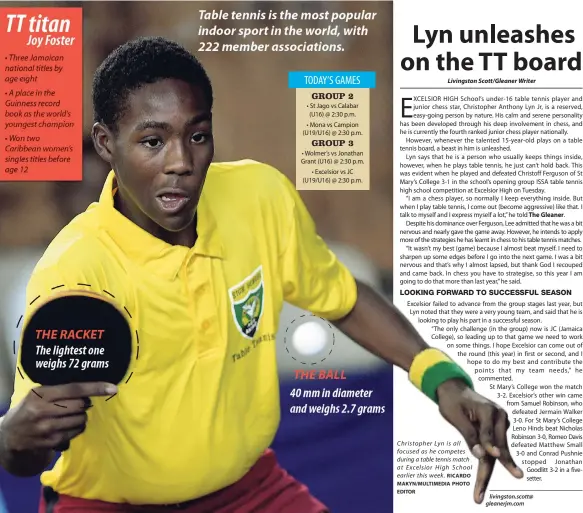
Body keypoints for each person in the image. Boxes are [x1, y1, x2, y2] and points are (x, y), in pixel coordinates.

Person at [0, 37, 523, 513]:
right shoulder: (76, 270)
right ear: (105, 143)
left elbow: (343, 297)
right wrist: (13, 442)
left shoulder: (259, 198)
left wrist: (443, 379)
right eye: (153, 141)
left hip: (252, 493)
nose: (181, 161)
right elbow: (33, 442)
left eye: (197, 135)